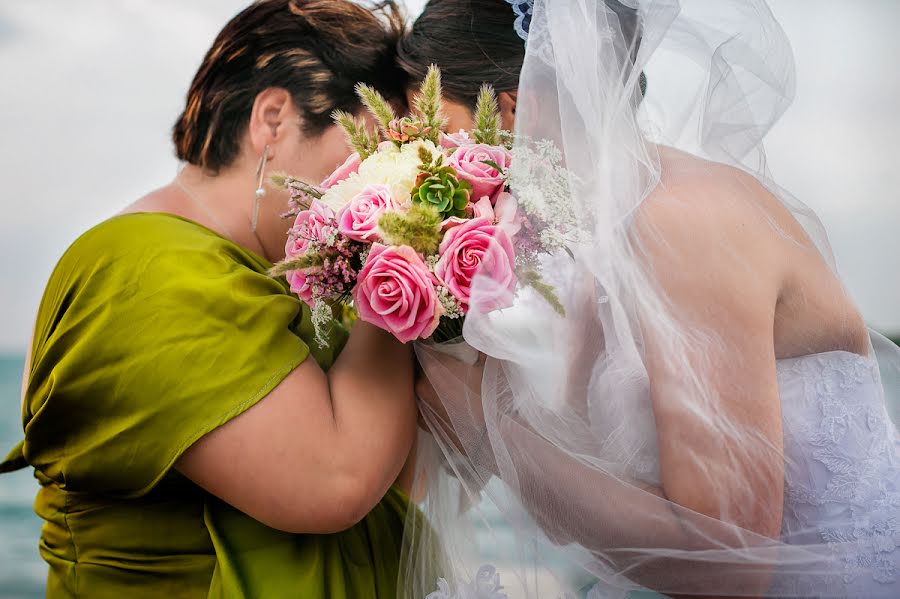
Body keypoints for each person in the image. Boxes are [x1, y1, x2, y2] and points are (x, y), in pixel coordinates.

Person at [398, 1, 900, 597]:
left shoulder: (683, 224)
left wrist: (486, 423)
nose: (419, 155)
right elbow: (588, 495)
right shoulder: (597, 247)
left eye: (430, 123)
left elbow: (728, 566)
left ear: (511, 106)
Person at [0, 1, 419, 597]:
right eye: (373, 157)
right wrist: (402, 269)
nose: (385, 191)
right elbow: (337, 480)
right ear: (273, 119)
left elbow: (398, 483)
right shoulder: (140, 270)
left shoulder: (279, 284)